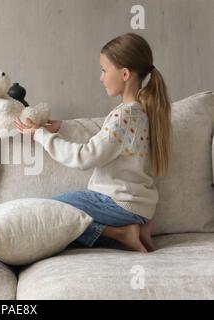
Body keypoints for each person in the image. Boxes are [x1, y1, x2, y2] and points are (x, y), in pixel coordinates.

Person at [15, 33, 171, 253]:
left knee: (50, 211)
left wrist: (40, 135)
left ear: (125, 73)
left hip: (116, 203)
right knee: (60, 215)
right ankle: (139, 229)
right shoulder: (142, 113)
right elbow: (106, 139)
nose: (101, 78)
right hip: (140, 207)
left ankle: (122, 233)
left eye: (104, 70)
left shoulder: (123, 116)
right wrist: (63, 127)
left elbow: (84, 157)